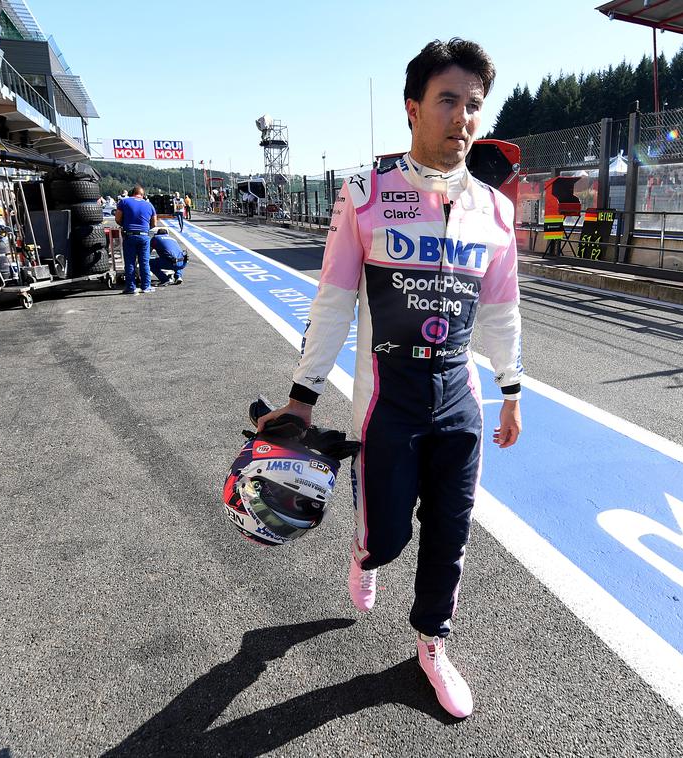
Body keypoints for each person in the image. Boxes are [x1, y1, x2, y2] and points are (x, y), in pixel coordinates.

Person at [256, 37, 522, 719]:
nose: (462, 117)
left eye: (473, 105)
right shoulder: (364, 194)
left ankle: (432, 644)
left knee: (451, 533)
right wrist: (302, 397)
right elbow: (334, 300)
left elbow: (500, 308)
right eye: (447, 101)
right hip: (387, 401)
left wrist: (512, 388)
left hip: (459, 399)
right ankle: (362, 549)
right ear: (413, 107)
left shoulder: (496, 210)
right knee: (387, 541)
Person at [113, 184, 158, 294]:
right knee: (144, 262)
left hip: (129, 235)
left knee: (130, 262)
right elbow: (154, 223)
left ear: (133, 193)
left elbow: (117, 219)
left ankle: (131, 288)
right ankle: (146, 287)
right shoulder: (149, 205)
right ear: (142, 195)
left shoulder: (124, 202)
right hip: (144, 236)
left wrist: (125, 225)